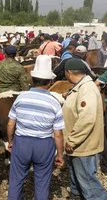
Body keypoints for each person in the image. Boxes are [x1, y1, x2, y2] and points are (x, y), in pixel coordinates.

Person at [7, 55, 65, 200]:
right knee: (42, 183)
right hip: (44, 144)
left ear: (32, 79)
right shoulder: (54, 102)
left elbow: (10, 123)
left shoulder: (21, 97)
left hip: (21, 142)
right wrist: (60, 154)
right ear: (50, 81)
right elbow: (58, 134)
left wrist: (10, 141)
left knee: (16, 181)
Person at [62, 59, 106, 200]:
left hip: (83, 144)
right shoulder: (80, 87)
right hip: (78, 144)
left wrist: (72, 140)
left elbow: (86, 118)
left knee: (88, 180)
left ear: (68, 73)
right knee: (78, 177)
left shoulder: (86, 89)